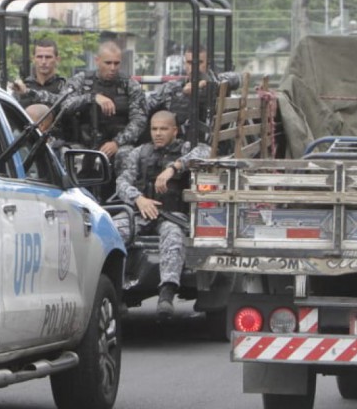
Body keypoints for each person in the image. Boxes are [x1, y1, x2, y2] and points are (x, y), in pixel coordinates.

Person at [114, 110, 208, 320]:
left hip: (173, 215)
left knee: (173, 237)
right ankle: (116, 293)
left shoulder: (185, 149)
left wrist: (174, 168)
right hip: (143, 212)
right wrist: (139, 199)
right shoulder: (139, 152)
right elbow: (121, 182)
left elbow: (206, 151)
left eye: (163, 129)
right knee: (111, 233)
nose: (158, 133)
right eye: (154, 129)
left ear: (174, 131)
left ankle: (166, 294)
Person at [44, 40, 147, 167]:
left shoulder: (130, 85)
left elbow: (139, 120)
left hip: (118, 144)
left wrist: (117, 143)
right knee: (65, 156)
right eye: (108, 63)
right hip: (84, 144)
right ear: (97, 60)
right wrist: (91, 98)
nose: (112, 68)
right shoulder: (82, 80)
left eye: (116, 63)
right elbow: (64, 105)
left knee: (127, 156)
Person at [147, 46, 242, 138]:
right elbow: (147, 104)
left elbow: (237, 78)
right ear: (185, 64)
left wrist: (202, 84)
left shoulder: (214, 83)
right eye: (189, 63)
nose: (193, 67)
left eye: (199, 62)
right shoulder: (174, 87)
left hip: (201, 143)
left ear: (207, 64)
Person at [11, 38, 66, 108]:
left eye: (48, 57)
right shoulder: (23, 87)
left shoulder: (64, 87)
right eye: (39, 57)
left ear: (57, 59)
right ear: (33, 59)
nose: (43, 62)